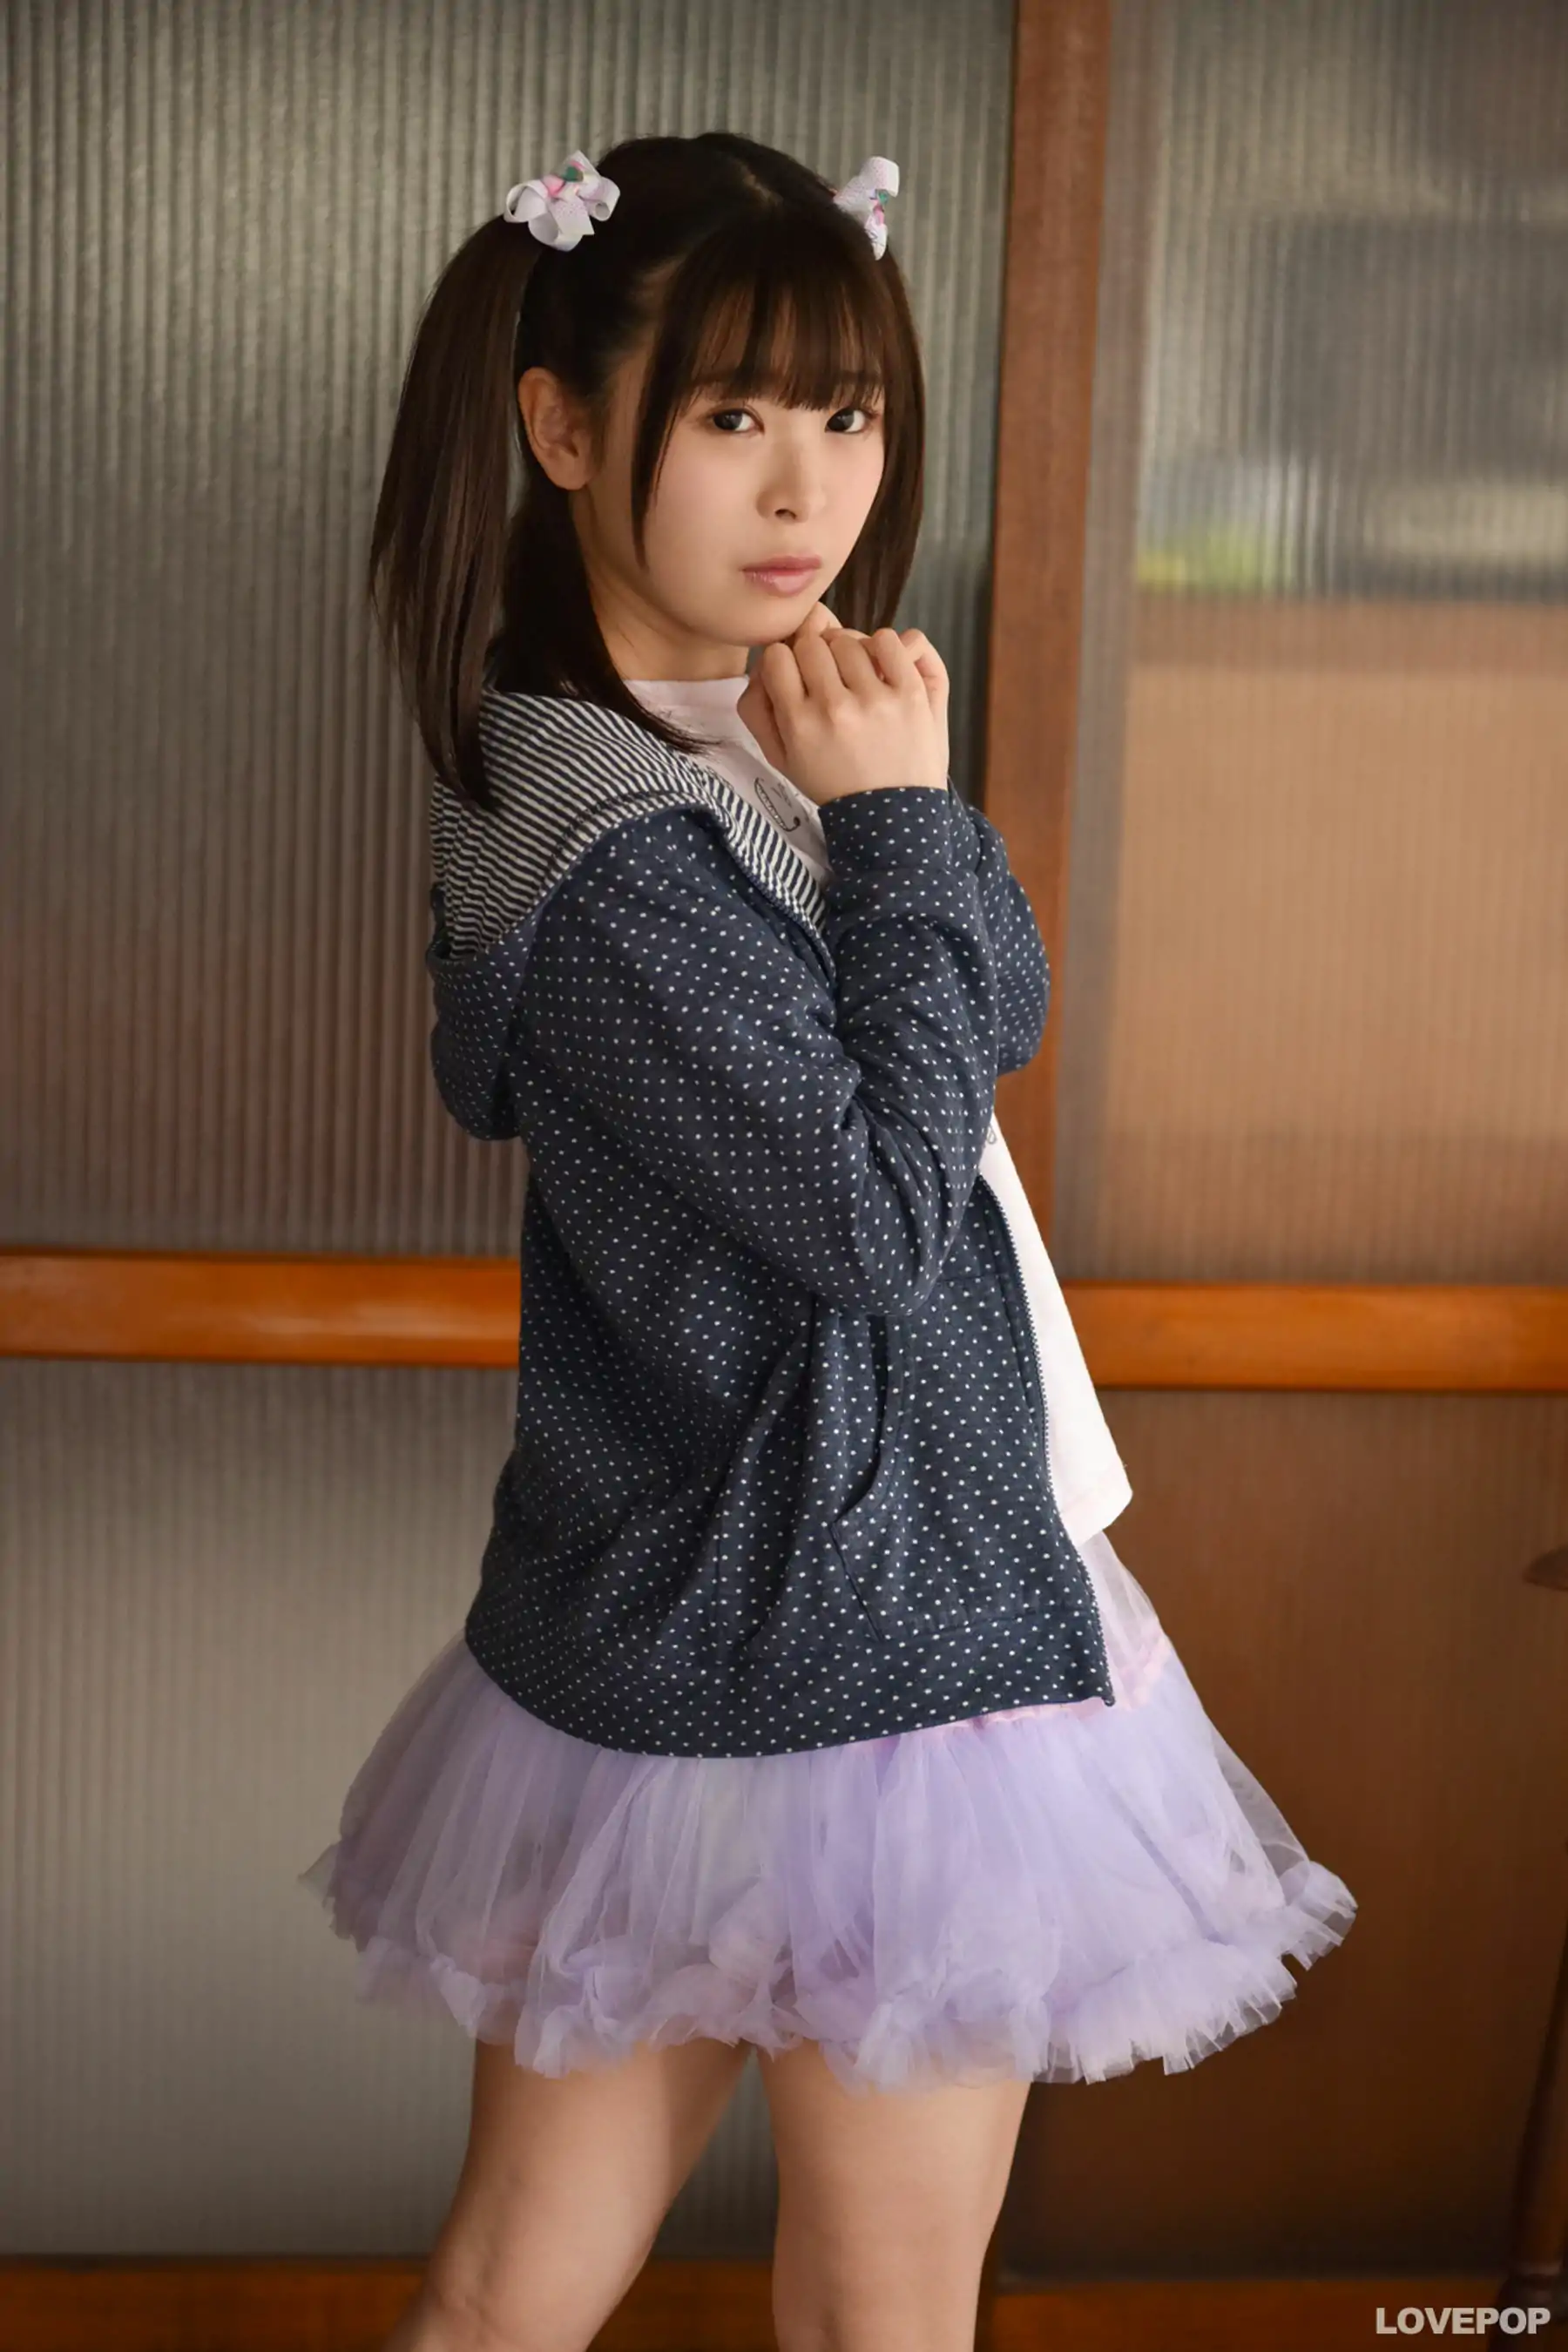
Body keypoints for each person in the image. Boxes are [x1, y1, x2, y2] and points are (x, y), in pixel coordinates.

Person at [298, 131, 1356, 2352]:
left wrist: (891, 819)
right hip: (854, 1636)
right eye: (732, 416)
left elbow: (994, 1013)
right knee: (871, 2312)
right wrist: (897, 823)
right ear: (562, 425)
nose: (810, 491)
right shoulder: (616, 848)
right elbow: (883, 1208)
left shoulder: (728, 739)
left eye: (848, 414)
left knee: (515, 2290)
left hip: (764, 1613)